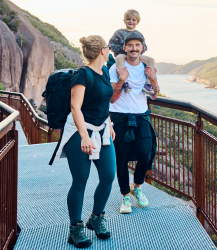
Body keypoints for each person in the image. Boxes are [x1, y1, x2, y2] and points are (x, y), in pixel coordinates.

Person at [53, 35, 116, 248]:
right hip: (80, 131)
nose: (110, 50)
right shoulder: (82, 75)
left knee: (108, 176)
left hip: (102, 129)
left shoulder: (105, 71)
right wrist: (84, 136)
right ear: (101, 51)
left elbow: (104, 101)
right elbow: (75, 107)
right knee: (80, 180)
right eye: (108, 47)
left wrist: (110, 124)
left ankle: (96, 218)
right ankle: (75, 229)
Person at [109, 32, 159, 214]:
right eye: (130, 45)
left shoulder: (147, 67)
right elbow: (112, 99)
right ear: (125, 48)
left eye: (137, 45)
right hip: (119, 117)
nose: (134, 49)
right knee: (121, 160)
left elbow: (154, 94)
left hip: (141, 116)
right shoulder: (115, 68)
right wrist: (122, 79)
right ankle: (125, 196)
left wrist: (152, 78)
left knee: (145, 154)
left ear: (142, 48)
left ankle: (136, 186)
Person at [109, 9, 155, 94]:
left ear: (137, 22)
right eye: (128, 19)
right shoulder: (119, 33)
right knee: (118, 58)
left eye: (133, 20)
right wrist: (123, 48)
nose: (131, 21)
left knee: (151, 60)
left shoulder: (139, 34)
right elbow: (111, 45)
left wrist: (136, 49)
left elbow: (144, 47)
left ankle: (148, 84)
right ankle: (125, 83)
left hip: (135, 55)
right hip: (123, 55)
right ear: (124, 20)